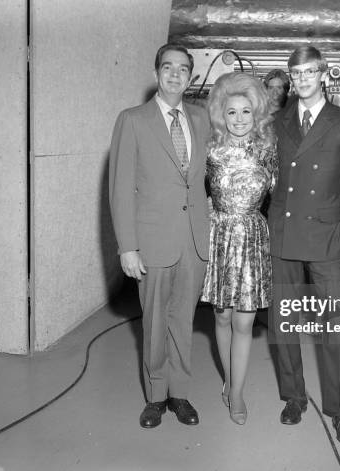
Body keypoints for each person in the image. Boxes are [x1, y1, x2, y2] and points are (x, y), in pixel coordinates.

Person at [108, 44, 211, 429]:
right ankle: (155, 396)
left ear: (190, 77)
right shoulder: (132, 120)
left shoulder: (201, 119)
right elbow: (120, 189)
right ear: (156, 74)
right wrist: (127, 247)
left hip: (194, 243)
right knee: (153, 323)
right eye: (167, 68)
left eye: (183, 69)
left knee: (182, 322)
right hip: (152, 242)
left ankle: (180, 393)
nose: (174, 75)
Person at [268, 45, 340, 445]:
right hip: (284, 234)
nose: (302, 79)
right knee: (284, 322)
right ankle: (293, 397)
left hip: (326, 235)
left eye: (310, 71)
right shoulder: (278, 121)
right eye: (296, 73)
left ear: (324, 74)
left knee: (334, 327)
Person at [200, 72, 278, 425]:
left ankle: (236, 392)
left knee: (245, 322)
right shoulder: (211, 152)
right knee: (222, 316)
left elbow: (277, 196)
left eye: (246, 112)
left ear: (256, 113)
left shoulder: (266, 151)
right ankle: (229, 378)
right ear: (221, 115)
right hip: (220, 235)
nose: (239, 119)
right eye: (232, 112)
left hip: (251, 238)